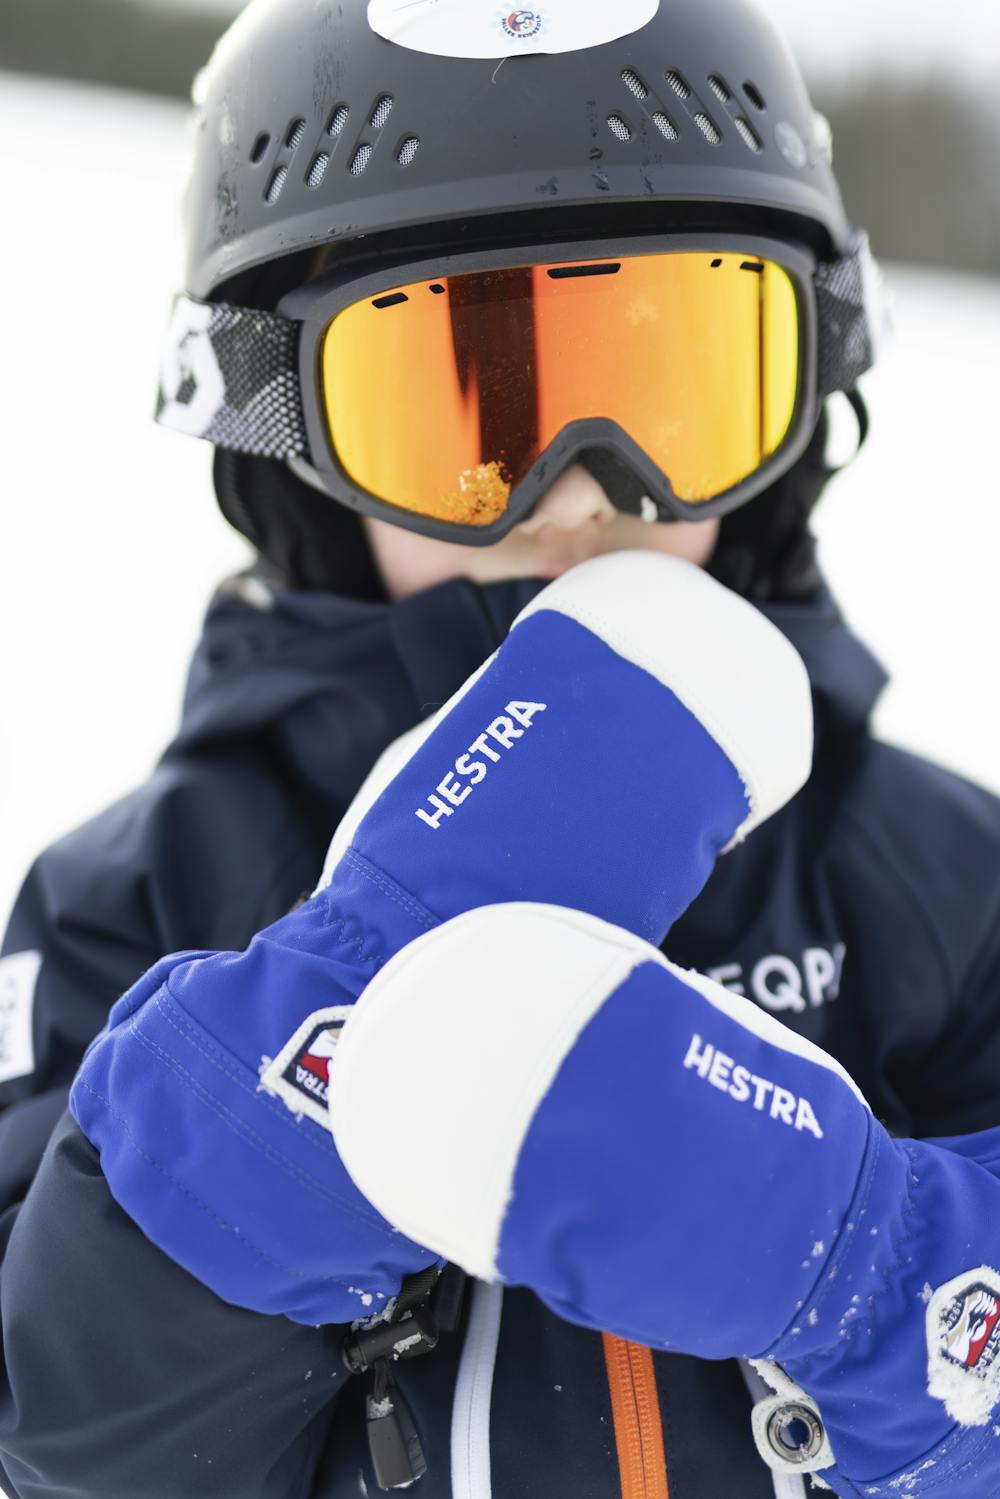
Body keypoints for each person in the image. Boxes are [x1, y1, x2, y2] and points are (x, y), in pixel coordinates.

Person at [2, 2, 1000, 1497]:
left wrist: (880, 1276)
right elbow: (60, 1433)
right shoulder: (133, 897)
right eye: (466, 408)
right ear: (287, 447)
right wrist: (327, 1025)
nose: (583, 496)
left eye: (676, 385)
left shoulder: (937, 874)